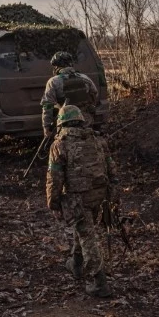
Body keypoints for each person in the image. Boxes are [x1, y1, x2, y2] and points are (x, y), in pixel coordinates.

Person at [46, 105, 114, 298]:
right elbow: (112, 169)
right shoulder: (97, 140)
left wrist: (54, 202)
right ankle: (76, 264)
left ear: (61, 122)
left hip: (77, 197)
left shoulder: (60, 144)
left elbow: (54, 178)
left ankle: (99, 282)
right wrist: (112, 194)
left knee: (87, 236)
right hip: (99, 195)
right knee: (84, 228)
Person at [40, 51, 99, 141]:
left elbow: (47, 105)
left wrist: (46, 127)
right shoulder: (85, 78)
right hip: (85, 120)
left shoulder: (53, 81)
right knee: (87, 143)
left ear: (57, 66)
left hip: (65, 122)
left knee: (66, 147)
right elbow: (94, 94)